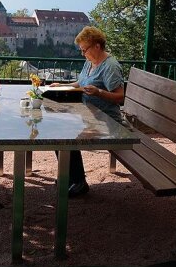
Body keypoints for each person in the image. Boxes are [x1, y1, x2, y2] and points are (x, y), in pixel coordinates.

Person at [50, 26, 125, 197]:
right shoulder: (90, 61)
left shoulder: (110, 66)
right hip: (88, 115)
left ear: (97, 46)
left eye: (85, 49)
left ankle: (79, 183)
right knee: (57, 130)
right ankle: (69, 176)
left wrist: (99, 92)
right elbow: (81, 82)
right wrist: (63, 86)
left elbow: (120, 96)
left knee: (68, 136)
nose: (83, 53)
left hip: (107, 121)